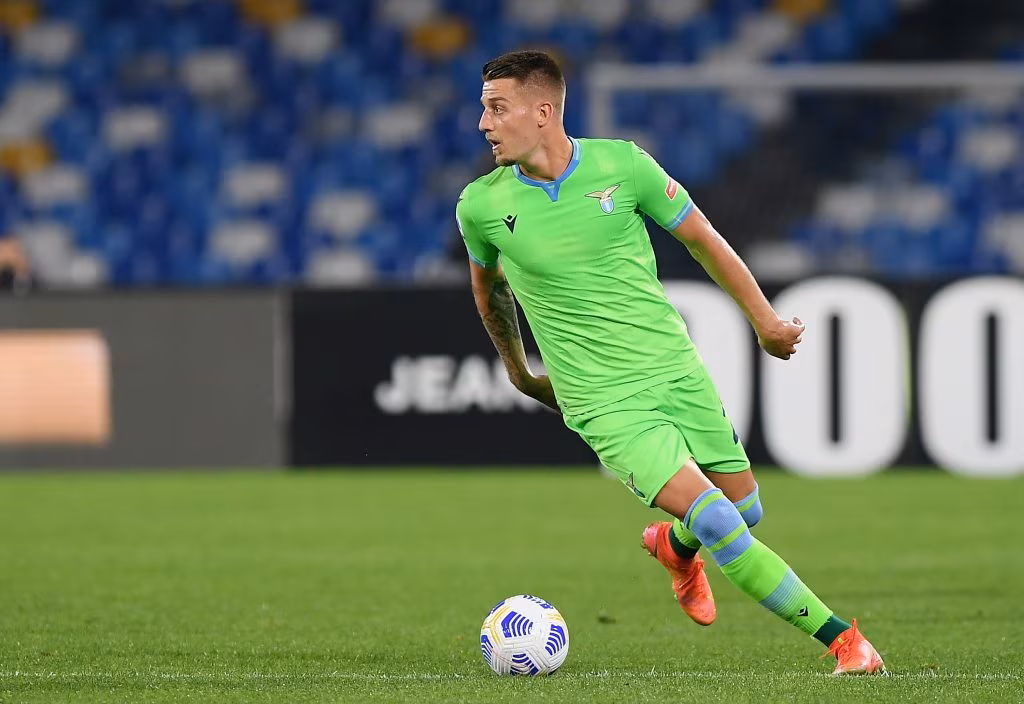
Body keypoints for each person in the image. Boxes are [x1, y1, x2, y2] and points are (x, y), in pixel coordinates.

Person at [455, 49, 886, 676]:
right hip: (602, 399)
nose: (483, 124)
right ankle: (844, 641)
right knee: (718, 519)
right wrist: (519, 371)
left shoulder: (623, 165)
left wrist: (765, 322)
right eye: (484, 110)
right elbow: (488, 291)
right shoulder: (481, 206)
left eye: (497, 109)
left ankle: (675, 550)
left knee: (745, 510)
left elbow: (702, 239)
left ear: (542, 111)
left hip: (675, 369)